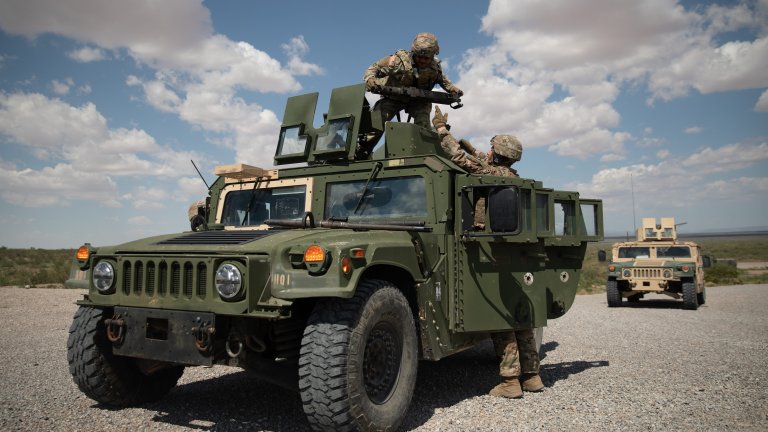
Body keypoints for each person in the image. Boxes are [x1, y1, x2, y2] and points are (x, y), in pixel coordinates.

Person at [432, 106, 543, 399]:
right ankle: (532, 377)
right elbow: (477, 157)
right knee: (523, 321)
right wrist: (467, 143)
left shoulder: (492, 173)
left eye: (492, 149)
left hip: (493, 250)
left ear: (498, 154)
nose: (488, 152)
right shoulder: (512, 175)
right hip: (514, 250)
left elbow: (458, 159)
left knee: (501, 319)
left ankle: (510, 382)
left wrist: (442, 132)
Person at [358, 32, 463, 157]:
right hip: (393, 97)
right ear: (413, 53)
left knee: (423, 126)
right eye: (419, 57)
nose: (422, 60)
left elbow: (444, 81)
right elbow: (373, 68)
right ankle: (362, 151)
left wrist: (453, 90)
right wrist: (371, 80)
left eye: (426, 58)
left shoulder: (434, 68)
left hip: (419, 100)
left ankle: (424, 153)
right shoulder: (398, 62)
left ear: (433, 56)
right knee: (376, 122)